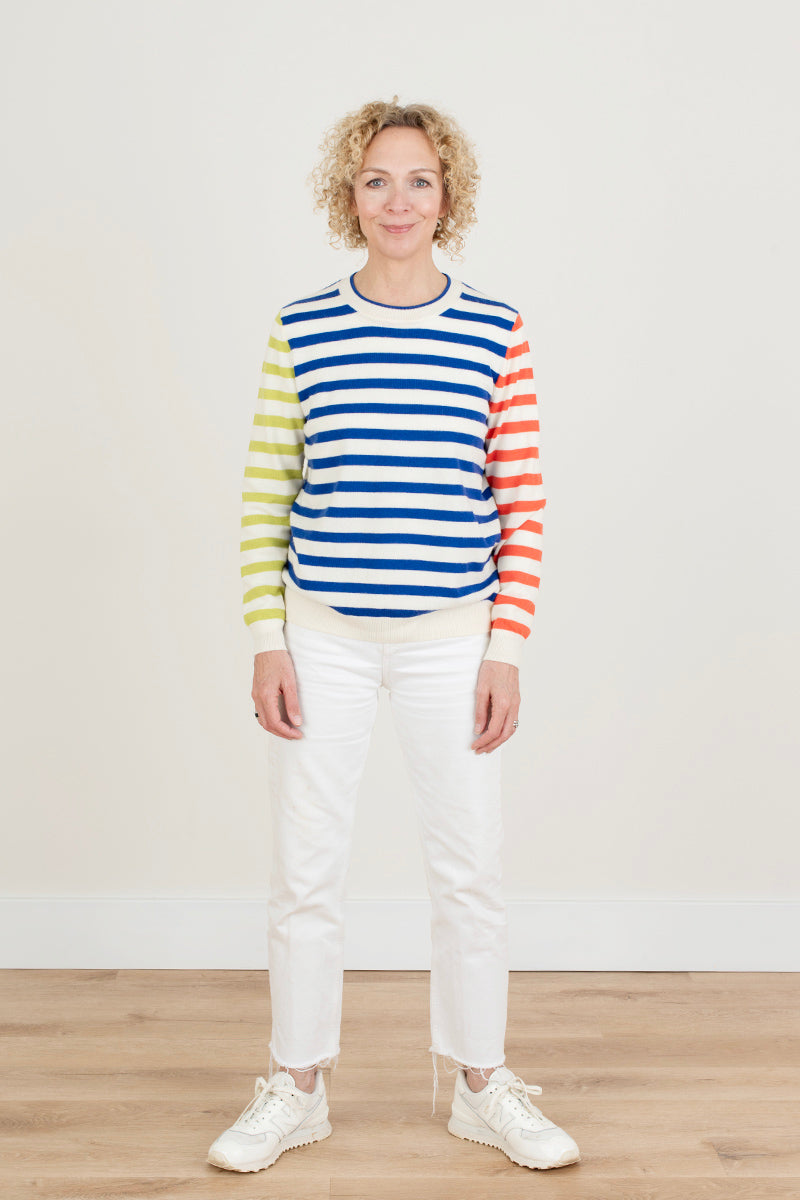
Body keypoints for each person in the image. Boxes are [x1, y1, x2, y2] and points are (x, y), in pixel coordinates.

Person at [207, 96, 580, 1175]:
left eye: (418, 179)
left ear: (446, 197)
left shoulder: (494, 329)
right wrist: (268, 639)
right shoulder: (302, 328)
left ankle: (479, 1084)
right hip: (319, 635)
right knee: (304, 870)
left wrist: (503, 651)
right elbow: (265, 496)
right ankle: (296, 1086)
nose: (397, 199)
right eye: (377, 179)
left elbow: (521, 502)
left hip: (451, 640)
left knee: (468, 871)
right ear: (350, 196)